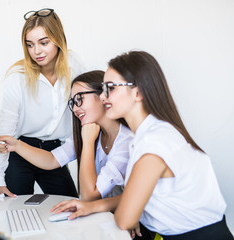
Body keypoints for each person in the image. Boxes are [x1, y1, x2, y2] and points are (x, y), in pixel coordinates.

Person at [51, 51, 233, 240]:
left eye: (111, 88)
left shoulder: (154, 145)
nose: (103, 97)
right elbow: (141, 196)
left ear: (137, 92)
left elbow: (125, 219)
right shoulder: (148, 135)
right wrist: (91, 206)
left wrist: (123, 211)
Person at [0, 8, 85, 200]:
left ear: (58, 39)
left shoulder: (74, 66)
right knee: (14, 211)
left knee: (70, 206)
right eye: (30, 44)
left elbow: (87, 109)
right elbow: (6, 132)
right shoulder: (17, 77)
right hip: (21, 151)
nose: (36, 51)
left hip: (55, 152)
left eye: (43, 43)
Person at [0, 70, 133, 201]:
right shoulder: (90, 131)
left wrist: (88, 143)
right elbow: (52, 160)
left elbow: (88, 196)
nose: (76, 108)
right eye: (72, 103)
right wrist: (16, 145)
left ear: (103, 95)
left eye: (79, 99)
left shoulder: (126, 142)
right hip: (101, 216)